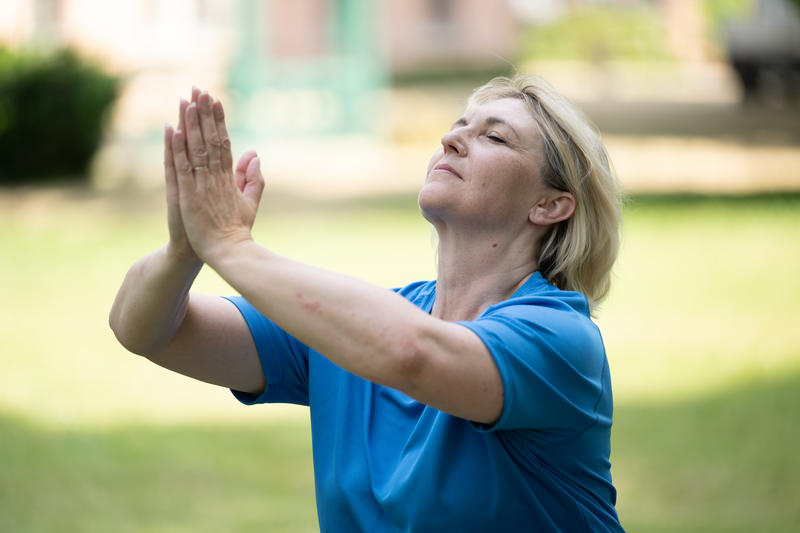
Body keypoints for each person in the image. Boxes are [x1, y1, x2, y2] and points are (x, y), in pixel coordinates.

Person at [109, 75, 625, 532]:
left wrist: (230, 245)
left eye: (494, 137)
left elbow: (414, 356)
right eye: (458, 126)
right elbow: (145, 329)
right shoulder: (355, 329)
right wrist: (186, 250)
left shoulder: (559, 338)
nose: (451, 140)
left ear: (550, 205)